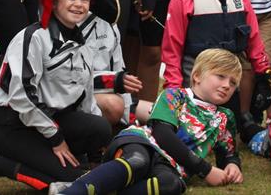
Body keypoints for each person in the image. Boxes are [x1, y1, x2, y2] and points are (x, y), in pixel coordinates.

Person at [0, 0, 115, 193]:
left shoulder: (83, 46)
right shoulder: (32, 38)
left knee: (99, 127)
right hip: (14, 125)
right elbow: (22, 96)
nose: (78, 4)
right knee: (76, 181)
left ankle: (73, 164)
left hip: (53, 121)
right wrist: (57, 139)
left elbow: (86, 98)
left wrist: (97, 147)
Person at [54, 48, 244, 195]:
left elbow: (228, 153)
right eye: (220, 76)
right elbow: (163, 134)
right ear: (196, 76)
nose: (227, 85)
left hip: (172, 166)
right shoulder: (175, 95)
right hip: (143, 143)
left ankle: (102, 188)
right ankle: (73, 191)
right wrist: (205, 169)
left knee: (171, 185)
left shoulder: (225, 118)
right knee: (137, 162)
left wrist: (232, 166)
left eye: (233, 82)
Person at [161, 0, 271, 143]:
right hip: (195, 72)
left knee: (227, 132)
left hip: (229, 72)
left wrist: (262, 73)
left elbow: (254, 38)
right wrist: (174, 91)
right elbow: (172, 49)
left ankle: (246, 123)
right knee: (194, 137)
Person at [68, 0, 145, 126]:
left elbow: (120, 69)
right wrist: (115, 81)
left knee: (161, 111)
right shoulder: (69, 20)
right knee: (114, 105)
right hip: (72, 100)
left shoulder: (110, 21)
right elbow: (70, 78)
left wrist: (132, 120)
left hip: (111, 95)